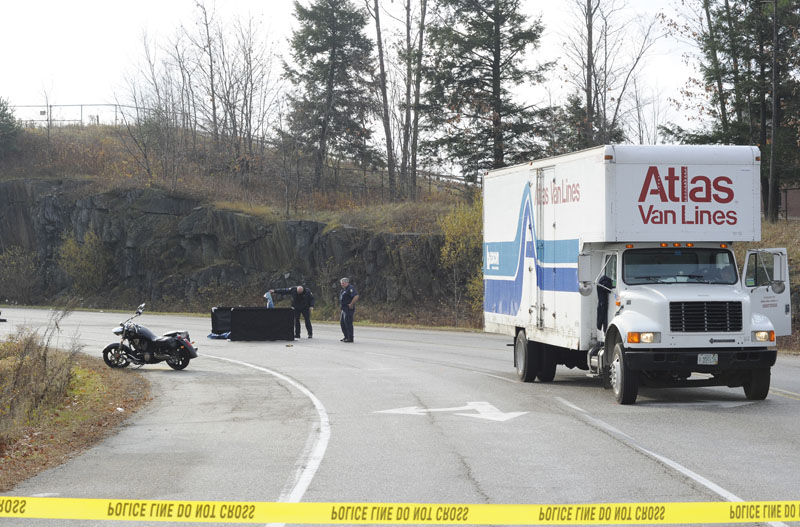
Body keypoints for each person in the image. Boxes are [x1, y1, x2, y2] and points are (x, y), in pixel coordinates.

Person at [338, 277, 359, 342]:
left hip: (348, 309)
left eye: (343, 283)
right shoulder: (343, 290)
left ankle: (350, 338)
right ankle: (346, 336)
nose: (342, 284)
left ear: (347, 283)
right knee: (342, 323)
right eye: (341, 283)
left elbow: (356, 296)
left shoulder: (350, 288)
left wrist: (351, 304)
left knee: (348, 323)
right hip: (343, 309)